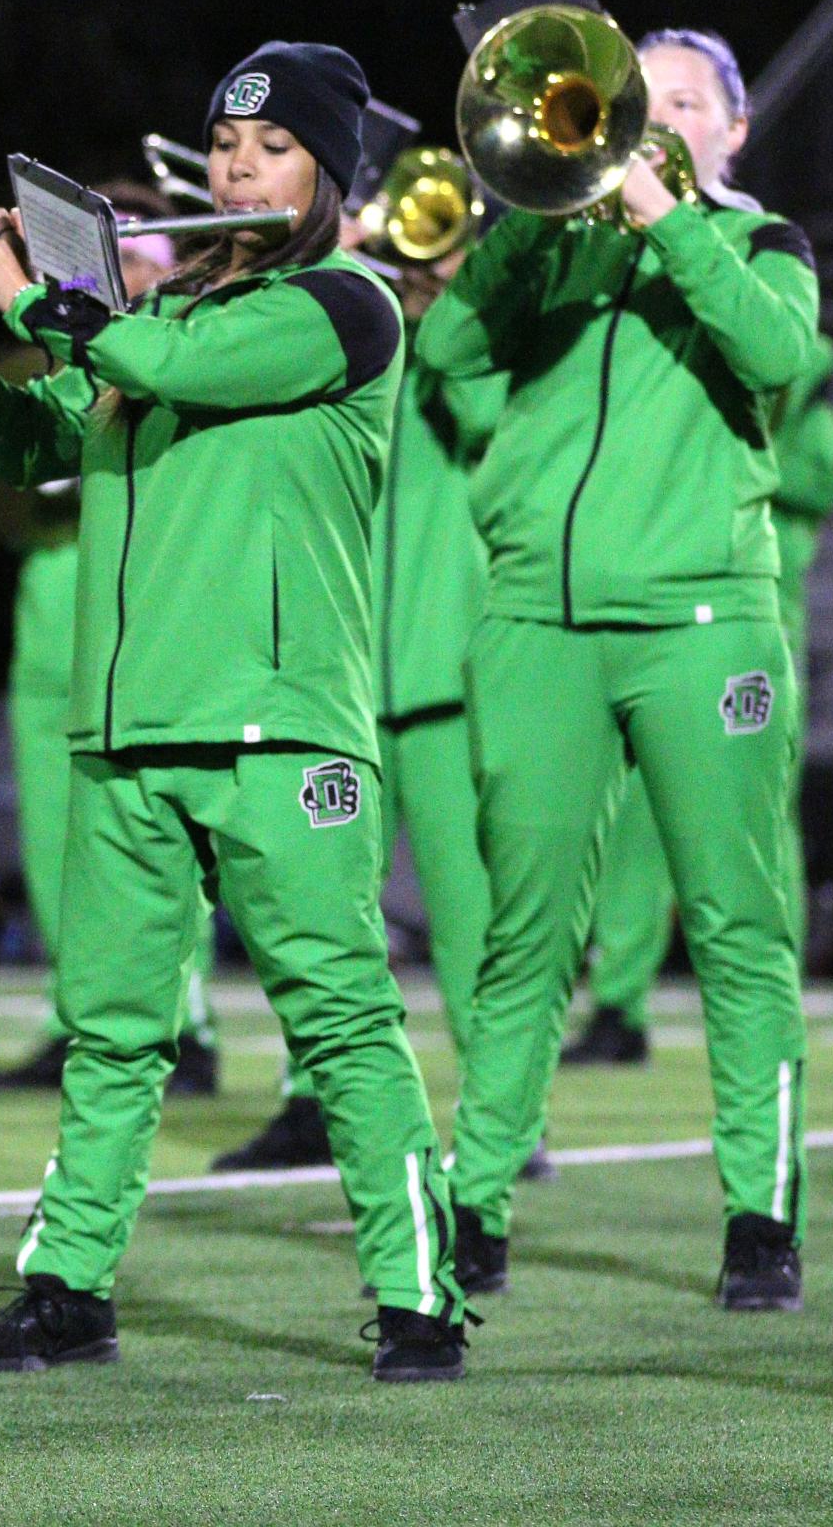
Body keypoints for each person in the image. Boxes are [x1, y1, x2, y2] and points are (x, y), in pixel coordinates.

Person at [0, 42, 470, 1382]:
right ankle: (68, 1287)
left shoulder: (346, 304)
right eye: (229, 145)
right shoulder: (174, 322)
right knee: (115, 1030)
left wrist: (40, 287)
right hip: (130, 731)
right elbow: (30, 441)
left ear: (328, 173)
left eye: (274, 148)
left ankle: (421, 1297)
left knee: (341, 1020)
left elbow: (145, 356)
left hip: (277, 728)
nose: (240, 167)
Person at [420, 26, 819, 1312]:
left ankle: (761, 1218)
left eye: (689, 102)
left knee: (737, 926)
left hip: (703, 622)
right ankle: (476, 1208)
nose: (659, 119)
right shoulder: (559, 246)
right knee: (523, 930)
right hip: (537, 616)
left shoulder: (765, 245)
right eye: (650, 97)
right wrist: (543, 217)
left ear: (733, 131)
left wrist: (668, 223)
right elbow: (446, 355)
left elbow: (780, 360)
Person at [215, 204, 513, 1172]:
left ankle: (505, 1125)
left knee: (475, 924)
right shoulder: (346, 328)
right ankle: (310, 1105)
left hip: (442, 676)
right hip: (337, 679)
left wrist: (448, 305)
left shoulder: (468, 343)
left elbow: (487, 424)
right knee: (321, 920)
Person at [0, 182, 219, 1098]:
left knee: (157, 831)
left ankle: (184, 1018)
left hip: (145, 598)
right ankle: (72, 1012)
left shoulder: (180, 348)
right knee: (53, 837)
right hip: (54, 605)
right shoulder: (73, 364)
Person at [564, 332, 833, 1067]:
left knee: (754, 817)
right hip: (674, 617)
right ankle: (618, 1005)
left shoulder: (804, 378)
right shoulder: (685, 359)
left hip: (759, 625)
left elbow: (815, 482)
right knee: (632, 822)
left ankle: (765, 993)